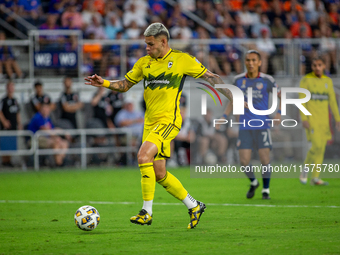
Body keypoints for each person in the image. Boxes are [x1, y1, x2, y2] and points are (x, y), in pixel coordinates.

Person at [85, 23, 235, 229]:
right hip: (150, 123)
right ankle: (194, 205)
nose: (146, 48)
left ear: (163, 42)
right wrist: (104, 83)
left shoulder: (182, 60)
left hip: (169, 120)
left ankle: (146, 211)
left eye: (150, 44)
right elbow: (125, 85)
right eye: (146, 44)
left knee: (142, 156)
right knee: (159, 174)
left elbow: (212, 77)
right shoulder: (143, 63)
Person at [222, 50, 281, 200]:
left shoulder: (267, 80)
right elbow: (232, 99)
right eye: (248, 60)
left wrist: (279, 113)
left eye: (254, 60)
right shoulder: (238, 80)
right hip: (244, 126)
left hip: (262, 125)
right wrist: (224, 115)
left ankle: (266, 190)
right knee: (243, 161)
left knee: (264, 159)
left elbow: (281, 96)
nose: (251, 63)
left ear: (260, 62)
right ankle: (254, 182)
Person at [299, 57, 340, 186]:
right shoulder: (306, 80)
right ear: (312, 67)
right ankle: (304, 171)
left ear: (324, 66)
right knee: (316, 146)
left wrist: (338, 119)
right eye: (315, 65)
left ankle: (315, 178)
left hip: (324, 121)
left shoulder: (327, 81)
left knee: (321, 149)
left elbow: (333, 102)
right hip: (312, 120)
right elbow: (301, 101)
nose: (317, 67)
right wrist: (304, 118)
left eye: (320, 65)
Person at [28, 101, 69, 167]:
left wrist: (64, 132)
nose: (46, 110)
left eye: (47, 108)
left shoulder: (47, 118)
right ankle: (58, 164)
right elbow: (45, 130)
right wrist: (56, 137)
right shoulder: (37, 117)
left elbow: (52, 129)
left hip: (46, 138)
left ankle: (60, 161)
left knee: (64, 143)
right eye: (44, 109)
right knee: (56, 143)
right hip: (36, 139)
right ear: (41, 109)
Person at [0, 81, 22, 167]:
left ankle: (8, 161)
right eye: (9, 87)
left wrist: (19, 123)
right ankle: (5, 162)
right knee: (5, 143)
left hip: (13, 125)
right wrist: (4, 121)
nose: (11, 89)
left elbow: (18, 113)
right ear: (6, 88)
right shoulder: (3, 100)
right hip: (6, 127)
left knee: (11, 144)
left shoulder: (15, 100)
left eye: (12, 87)